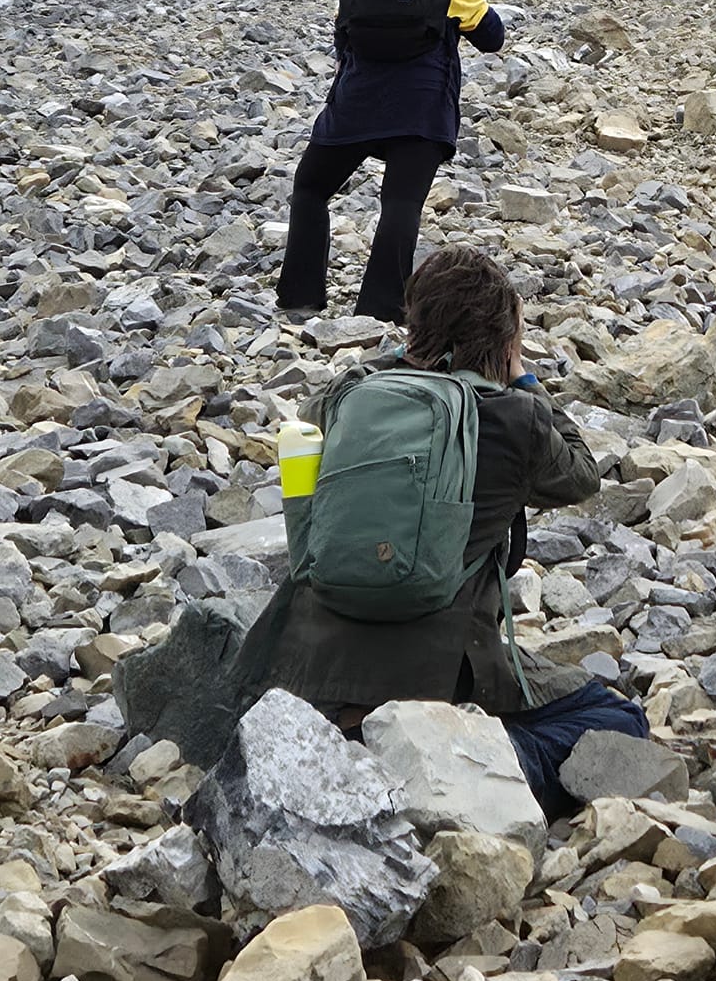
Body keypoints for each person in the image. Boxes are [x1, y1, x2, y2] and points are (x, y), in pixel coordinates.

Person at [224, 245, 649, 813]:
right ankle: (473, 764)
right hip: (437, 674)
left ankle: (348, 734)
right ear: (504, 335)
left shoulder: (351, 394)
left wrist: (412, 351)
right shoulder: (513, 418)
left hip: (309, 665)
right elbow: (581, 473)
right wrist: (521, 373)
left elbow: (311, 408)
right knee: (617, 719)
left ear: (413, 321)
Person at [278, 0, 503, 323]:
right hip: (420, 112)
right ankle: (381, 309)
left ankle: (299, 297)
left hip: (355, 107)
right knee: (400, 204)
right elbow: (493, 38)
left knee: (310, 188)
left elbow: (343, 42)